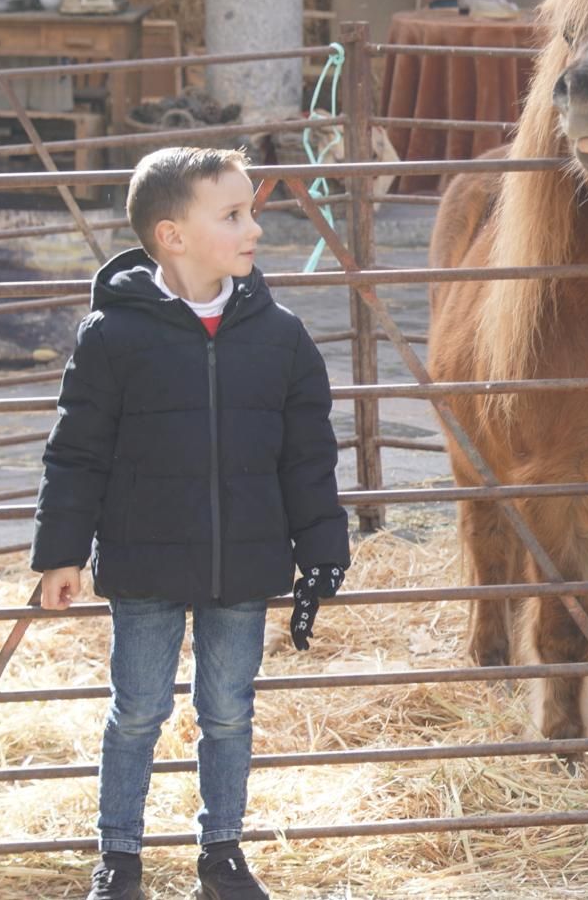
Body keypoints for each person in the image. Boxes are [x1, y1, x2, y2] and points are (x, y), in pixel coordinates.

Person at [32, 147, 351, 900]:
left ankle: (223, 853)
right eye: (234, 215)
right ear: (173, 235)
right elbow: (76, 453)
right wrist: (61, 555)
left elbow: (308, 456)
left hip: (243, 566)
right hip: (143, 565)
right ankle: (121, 857)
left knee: (229, 713)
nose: (254, 230)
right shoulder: (112, 338)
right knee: (137, 710)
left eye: (252, 212)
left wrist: (322, 550)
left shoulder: (281, 338)